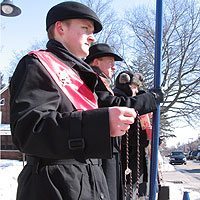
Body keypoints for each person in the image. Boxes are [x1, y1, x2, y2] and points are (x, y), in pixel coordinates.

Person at [9, 2, 137, 200]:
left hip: (89, 184)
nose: (92, 37)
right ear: (60, 28)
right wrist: (100, 123)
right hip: (55, 188)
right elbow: (29, 131)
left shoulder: (81, 76)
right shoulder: (37, 65)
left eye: (92, 31)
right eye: (85, 28)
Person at [85, 43, 163, 200]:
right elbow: (116, 105)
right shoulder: (92, 81)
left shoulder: (100, 82)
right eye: (110, 62)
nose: (114, 68)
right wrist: (150, 99)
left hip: (114, 156)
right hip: (108, 155)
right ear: (96, 62)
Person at [114, 71, 153, 199]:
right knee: (126, 192)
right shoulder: (119, 100)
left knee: (135, 191)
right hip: (125, 156)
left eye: (137, 87)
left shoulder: (137, 102)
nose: (136, 90)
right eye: (134, 87)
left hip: (136, 156)